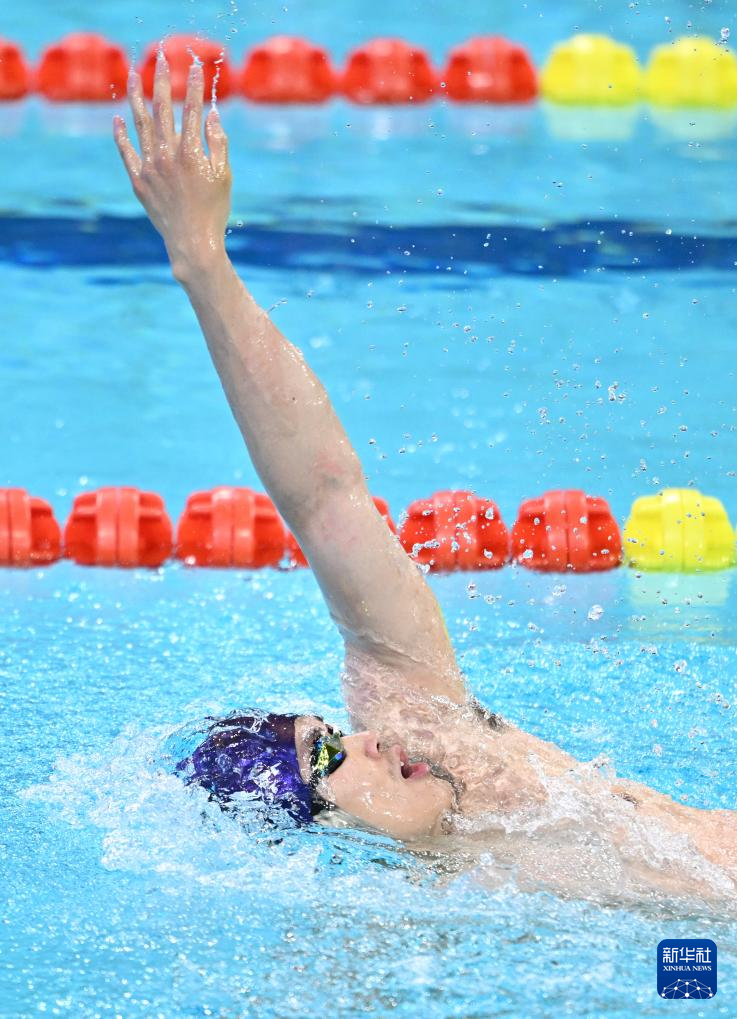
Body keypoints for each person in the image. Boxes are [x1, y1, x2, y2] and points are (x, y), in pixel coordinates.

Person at [114, 57, 736, 897]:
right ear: (300, 828)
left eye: (334, 732)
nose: (367, 739)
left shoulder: (438, 738)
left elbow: (324, 495)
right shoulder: (417, 907)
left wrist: (201, 260)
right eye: (328, 757)